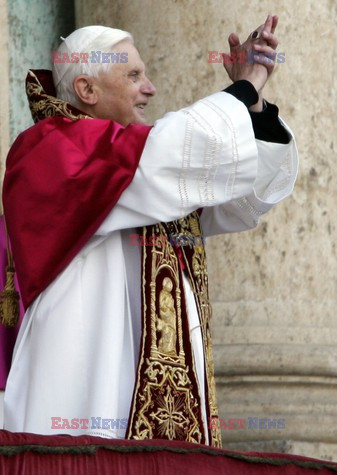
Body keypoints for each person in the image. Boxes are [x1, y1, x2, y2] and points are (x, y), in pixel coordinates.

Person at [2, 16, 298, 447]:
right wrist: (242, 88)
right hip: (86, 379)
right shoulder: (50, 148)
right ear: (87, 90)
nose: (150, 87)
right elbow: (160, 156)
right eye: (134, 75)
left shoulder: (141, 165)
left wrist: (253, 108)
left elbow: (237, 198)